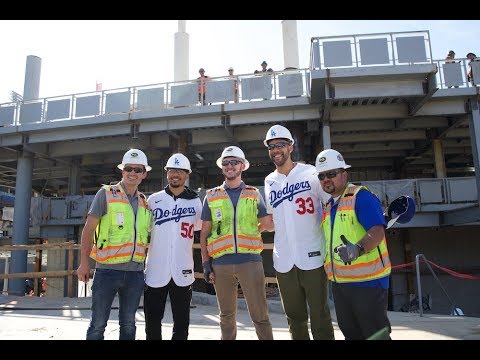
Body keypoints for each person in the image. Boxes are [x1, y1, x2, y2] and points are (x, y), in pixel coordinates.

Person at [263, 124, 335, 340]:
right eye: (272, 146)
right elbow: (273, 220)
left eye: (281, 145)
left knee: (320, 315)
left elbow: (331, 205)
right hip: (283, 259)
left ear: (291, 147)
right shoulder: (269, 181)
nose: (276, 150)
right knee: (294, 318)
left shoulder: (311, 172)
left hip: (313, 255)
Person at [199, 145, 274, 340]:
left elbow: (267, 224)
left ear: (242, 166)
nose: (229, 166)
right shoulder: (211, 196)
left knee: (260, 316)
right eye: (226, 163)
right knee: (226, 316)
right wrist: (206, 264)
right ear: (222, 167)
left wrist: (250, 232)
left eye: (234, 162)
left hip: (250, 262)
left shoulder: (254, 193)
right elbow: (204, 233)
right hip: (221, 264)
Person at [315, 148, 391, 340]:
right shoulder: (329, 206)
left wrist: (358, 249)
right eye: (322, 175)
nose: (326, 179)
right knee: (351, 334)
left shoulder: (361, 197)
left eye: (331, 174)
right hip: (341, 284)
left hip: (368, 283)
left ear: (344, 174)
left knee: (375, 334)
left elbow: (378, 230)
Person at [76, 148, 152, 340]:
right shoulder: (106, 194)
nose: (132, 173)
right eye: (129, 168)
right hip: (107, 271)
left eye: (137, 169)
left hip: (135, 273)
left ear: (144, 174)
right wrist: (84, 263)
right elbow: (88, 230)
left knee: (128, 324)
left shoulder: (145, 203)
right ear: (122, 171)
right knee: (98, 324)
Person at [144, 153, 202, 340]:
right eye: (172, 170)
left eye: (180, 171)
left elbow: (201, 228)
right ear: (166, 173)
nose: (175, 174)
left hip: (182, 269)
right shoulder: (153, 200)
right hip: (155, 269)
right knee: (152, 321)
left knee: (182, 322)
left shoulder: (195, 202)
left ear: (187, 175)